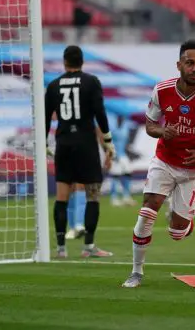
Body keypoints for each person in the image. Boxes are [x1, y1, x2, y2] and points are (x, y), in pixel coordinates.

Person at [122, 40, 195, 288]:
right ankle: (136, 272)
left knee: (177, 233)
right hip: (165, 160)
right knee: (148, 210)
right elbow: (150, 124)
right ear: (179, 65)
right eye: (190, 63)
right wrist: (162, 131)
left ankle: (182, 219)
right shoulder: (162, 90)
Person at [45, 45, 115, 259]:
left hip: (63, 143)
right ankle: (89, 246)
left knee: (62, 196)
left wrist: (44, 142)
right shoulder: (91, 81)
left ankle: (60, 248)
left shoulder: (54, 85)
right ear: (82, 62)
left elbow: (46, 116)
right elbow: (99, 112)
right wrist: (108, 140)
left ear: (64, 62)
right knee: (93, 194)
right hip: (86, 143)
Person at [109, 115, 136, 207]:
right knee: (115, 176)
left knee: (128, 174)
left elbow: (127, 141)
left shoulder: (125, 127)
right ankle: (114, 198)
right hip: (115, 156)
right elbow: (109, 143)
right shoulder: (112, 129)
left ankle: (126, 196)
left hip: (123, 155)